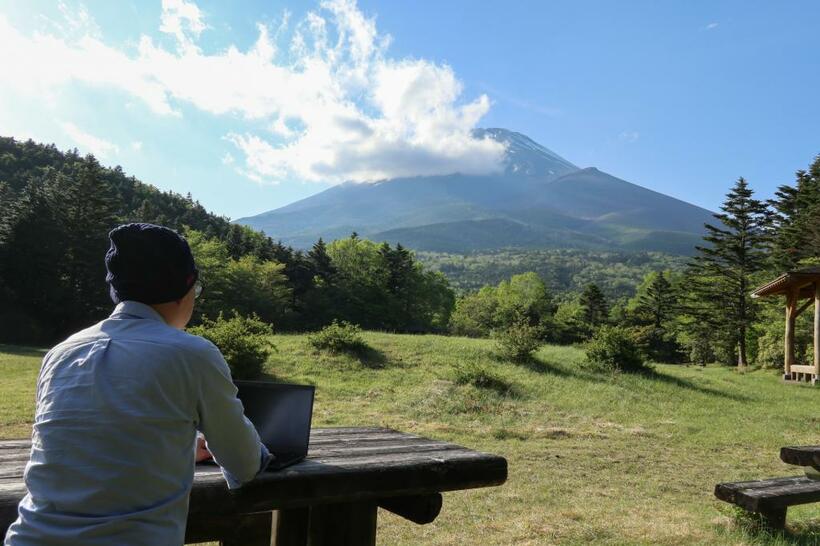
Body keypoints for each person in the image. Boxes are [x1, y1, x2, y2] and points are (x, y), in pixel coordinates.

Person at [4, 223, 271, 546]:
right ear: (182, 289)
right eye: (196, 290)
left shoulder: (61, 352)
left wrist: (179, 448)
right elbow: (244, 464)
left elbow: (82, 446)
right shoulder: (192, 354)